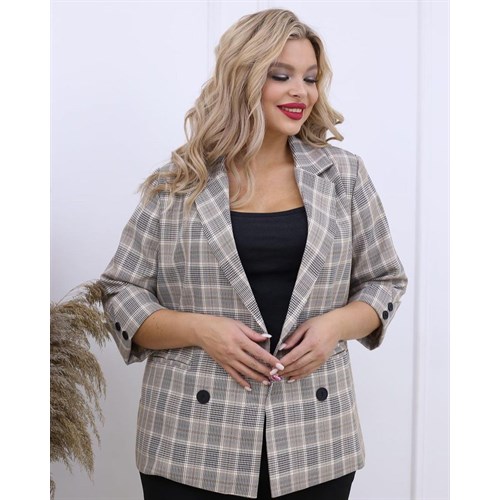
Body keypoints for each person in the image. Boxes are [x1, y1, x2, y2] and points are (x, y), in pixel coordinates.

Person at [100, 8, 407, 500]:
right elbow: (121, 291)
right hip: (189, 439)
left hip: (315, 435)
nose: (300, 92)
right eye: (280, 76)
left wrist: (334, 326)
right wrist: (201, 330)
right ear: (242, 79)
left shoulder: (343, 176)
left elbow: (385, 281)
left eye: (310, 78)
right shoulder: (179, 182)